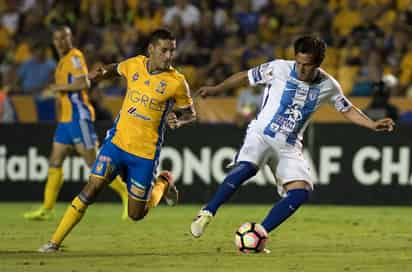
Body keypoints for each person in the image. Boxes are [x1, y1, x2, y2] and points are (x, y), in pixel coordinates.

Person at [190, 36, 395, 250]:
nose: (301, 69)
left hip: (288, 145)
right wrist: (216, 89)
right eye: (298, 62)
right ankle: (207, 212)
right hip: (262, 133)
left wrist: (371, 124)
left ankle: (258, 235)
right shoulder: (278, 68)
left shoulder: (328, 85)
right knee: (248, 167)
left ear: (318, 63)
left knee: (301, 191)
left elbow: (347, 109)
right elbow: (245, 77)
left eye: (307, 65)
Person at [38, 29, 196, 252]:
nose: (169, 56)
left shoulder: (177, 82)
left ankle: (163, 182)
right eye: (164, 50)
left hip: (145, 153)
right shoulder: (135, 64)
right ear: (151, 50)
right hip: (117, 143)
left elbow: (190, 113)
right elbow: (115, 69)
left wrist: (178, 121)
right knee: (91, 188)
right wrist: (99, 73)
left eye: (172, 50)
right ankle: (54, 242)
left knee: (135, 214)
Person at [23, 26, 128, 220]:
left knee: (95, 164)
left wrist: (58, 87)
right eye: (57, 39)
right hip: (66, 121)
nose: (60, 42)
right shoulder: (62, 61)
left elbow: (84, 83)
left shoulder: (74, 56)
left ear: (70, 38)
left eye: (64, 38)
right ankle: (47, 208)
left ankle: (126, 195)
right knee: (55, 161)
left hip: (79, 118)